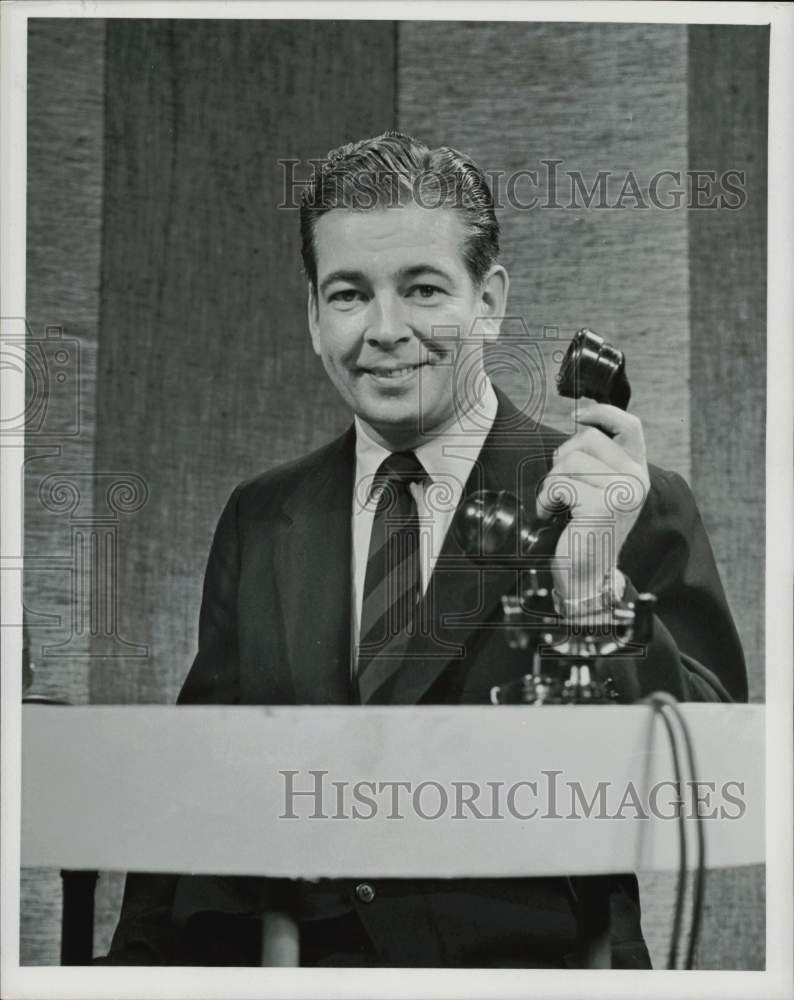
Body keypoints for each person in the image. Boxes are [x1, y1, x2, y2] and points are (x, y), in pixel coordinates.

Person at [103, 131, 746, 967]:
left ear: (490, 301)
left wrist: (591, 583)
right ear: (312, 315)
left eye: (423, 288)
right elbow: (199, 791)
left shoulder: (627, 500)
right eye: (347, 294)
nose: (385, 329)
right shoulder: (261, 517)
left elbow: (707, 791)